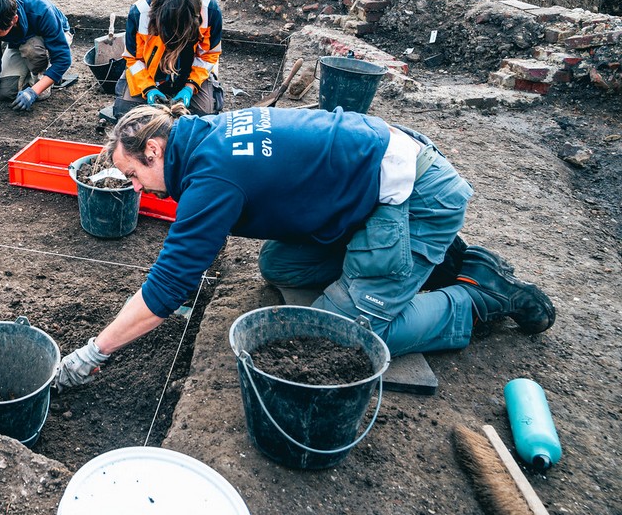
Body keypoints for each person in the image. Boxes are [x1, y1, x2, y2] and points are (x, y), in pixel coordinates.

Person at [54, 103, 556, 391]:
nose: (135, 187)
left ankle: (479, 296)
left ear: (154, 149)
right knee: (280, 264)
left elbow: (168, 286)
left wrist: (95, 351)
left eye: (133, 174)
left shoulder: (212, 178)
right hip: (374, 185)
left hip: (416, 195)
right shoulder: (205, 135)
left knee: (336, 337)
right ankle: (432, 261)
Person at [113, 0, 224, 119]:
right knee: (126, 113)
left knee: (204, 116)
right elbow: (133, 58)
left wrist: (190, 87)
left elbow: (208, 56)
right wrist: (148, 88)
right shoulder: (139, 13)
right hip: (149, 73)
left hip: (191, 72)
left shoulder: (211, 12)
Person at [0, 0, 73, 121]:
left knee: (31, 50)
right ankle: (32, 75)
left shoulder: (41, 11)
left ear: (14, 20)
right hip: (19, 41)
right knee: (5, 92)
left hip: (57, 37)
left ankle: (43, 75)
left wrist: (33, 92)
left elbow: (63, 59)